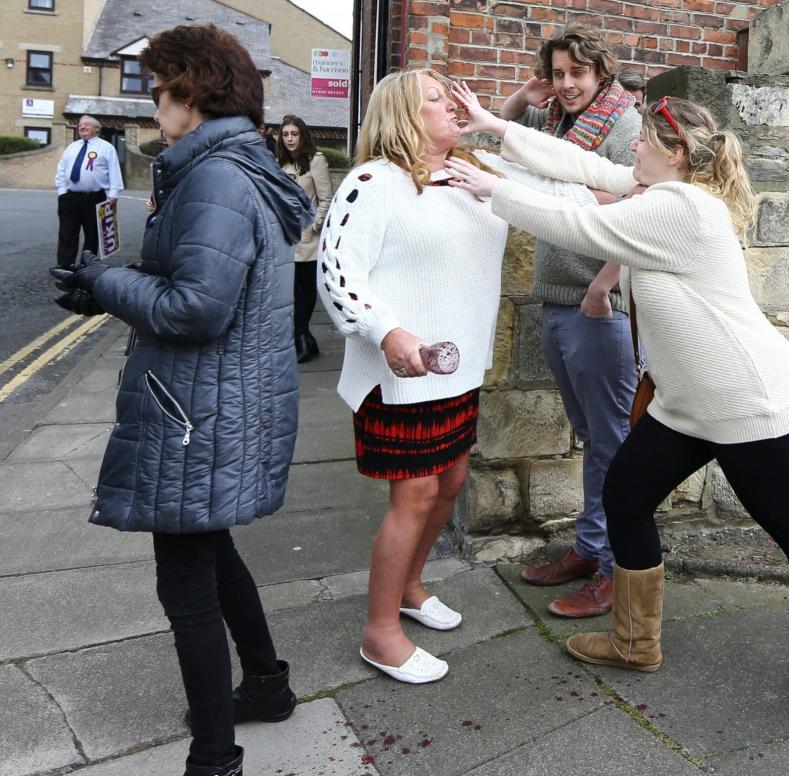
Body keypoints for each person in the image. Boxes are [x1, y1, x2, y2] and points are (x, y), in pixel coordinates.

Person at [447, 86, 789, 730]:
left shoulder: (682, 207)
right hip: (685, 402)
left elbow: (583, 223)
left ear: (674, 152)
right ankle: (635, 641)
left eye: (644, 141)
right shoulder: (662, 191)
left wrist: (494, 192)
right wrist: (495, 128)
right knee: (626, 496)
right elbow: (584, 167)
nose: (634, 150)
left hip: (746, 404)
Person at [50, 24, 312, 776]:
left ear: (192, 93)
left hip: (197, 410)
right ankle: (266, 684)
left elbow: (197, 307)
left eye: (160, 90)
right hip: (218, 401)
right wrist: (113, 290)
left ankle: (214, 759)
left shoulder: (215, 178)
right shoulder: (232, 167)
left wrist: (105, 283)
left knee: (185, 581)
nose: (152, 105)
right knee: (210, 544)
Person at [317, 69, 597, 685]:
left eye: (452, 95)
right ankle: (379, 633)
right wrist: (387, 331)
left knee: (451, 484)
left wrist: (621, 195)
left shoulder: (478, 172)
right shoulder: (373, 182)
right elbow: (337, 274)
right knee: (413, 496)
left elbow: (568, 194)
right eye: (436, 99)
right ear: (402, 116)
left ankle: (411, 589)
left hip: (459, 365)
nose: (452, 104)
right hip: (401, 370)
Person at [497, 23, 645, 617]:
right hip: (559, 300)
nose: (566, 84)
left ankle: (617, 570)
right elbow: (502, 137)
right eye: (557, 73)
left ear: (599, 73)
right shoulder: (555, 122)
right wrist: (520, 97)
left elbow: (639, 210)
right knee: (592, 438)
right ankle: (590, 548)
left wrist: (604, 286)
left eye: (576, 74)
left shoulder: (623, 124)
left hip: (596, 305)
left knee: (612, 442)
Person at [276, 114, 332, 363]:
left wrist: (314, 226)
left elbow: (326, 198)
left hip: (308, 239)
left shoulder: (316, 161)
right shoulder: (279, 163)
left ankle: (299, 338)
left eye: (294, 134)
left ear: (302, 135)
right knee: (289, 291)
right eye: (286, 134)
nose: (290, 139)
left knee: (306, 290)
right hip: (287, 237)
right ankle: (305, 339)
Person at [55, 115, 124, 268]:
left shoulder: (106, 148)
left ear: (96, 129)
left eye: (87, 124)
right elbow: (61, 169)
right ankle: (65, 267)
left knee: (92, 235)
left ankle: (87, 269)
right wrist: (62, 192)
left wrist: (114, 194)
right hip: (70, 198)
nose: (82, 127)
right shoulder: (72, 147)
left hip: (95, 198)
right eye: (80, 124)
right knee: (67, 234)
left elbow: (114, 171)